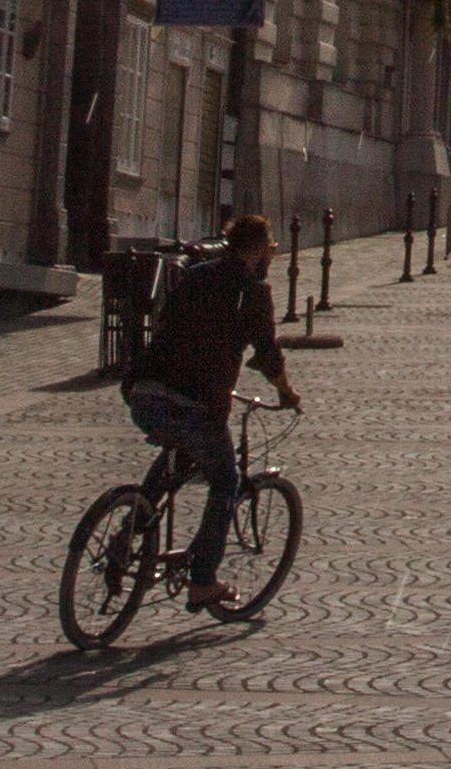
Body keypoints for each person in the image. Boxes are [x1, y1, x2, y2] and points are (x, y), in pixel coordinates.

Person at [125, 214, 321, 616]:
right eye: (268, 249)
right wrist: (286, 392)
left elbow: (167, 325)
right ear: (255, 250)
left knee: (175, 455)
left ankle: (128, 536)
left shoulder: (195, 276)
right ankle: (202, 582)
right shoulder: (252, 291)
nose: (269, 257)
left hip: (144, 392)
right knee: (226, 481)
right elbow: (267, 354)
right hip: (192, 403)